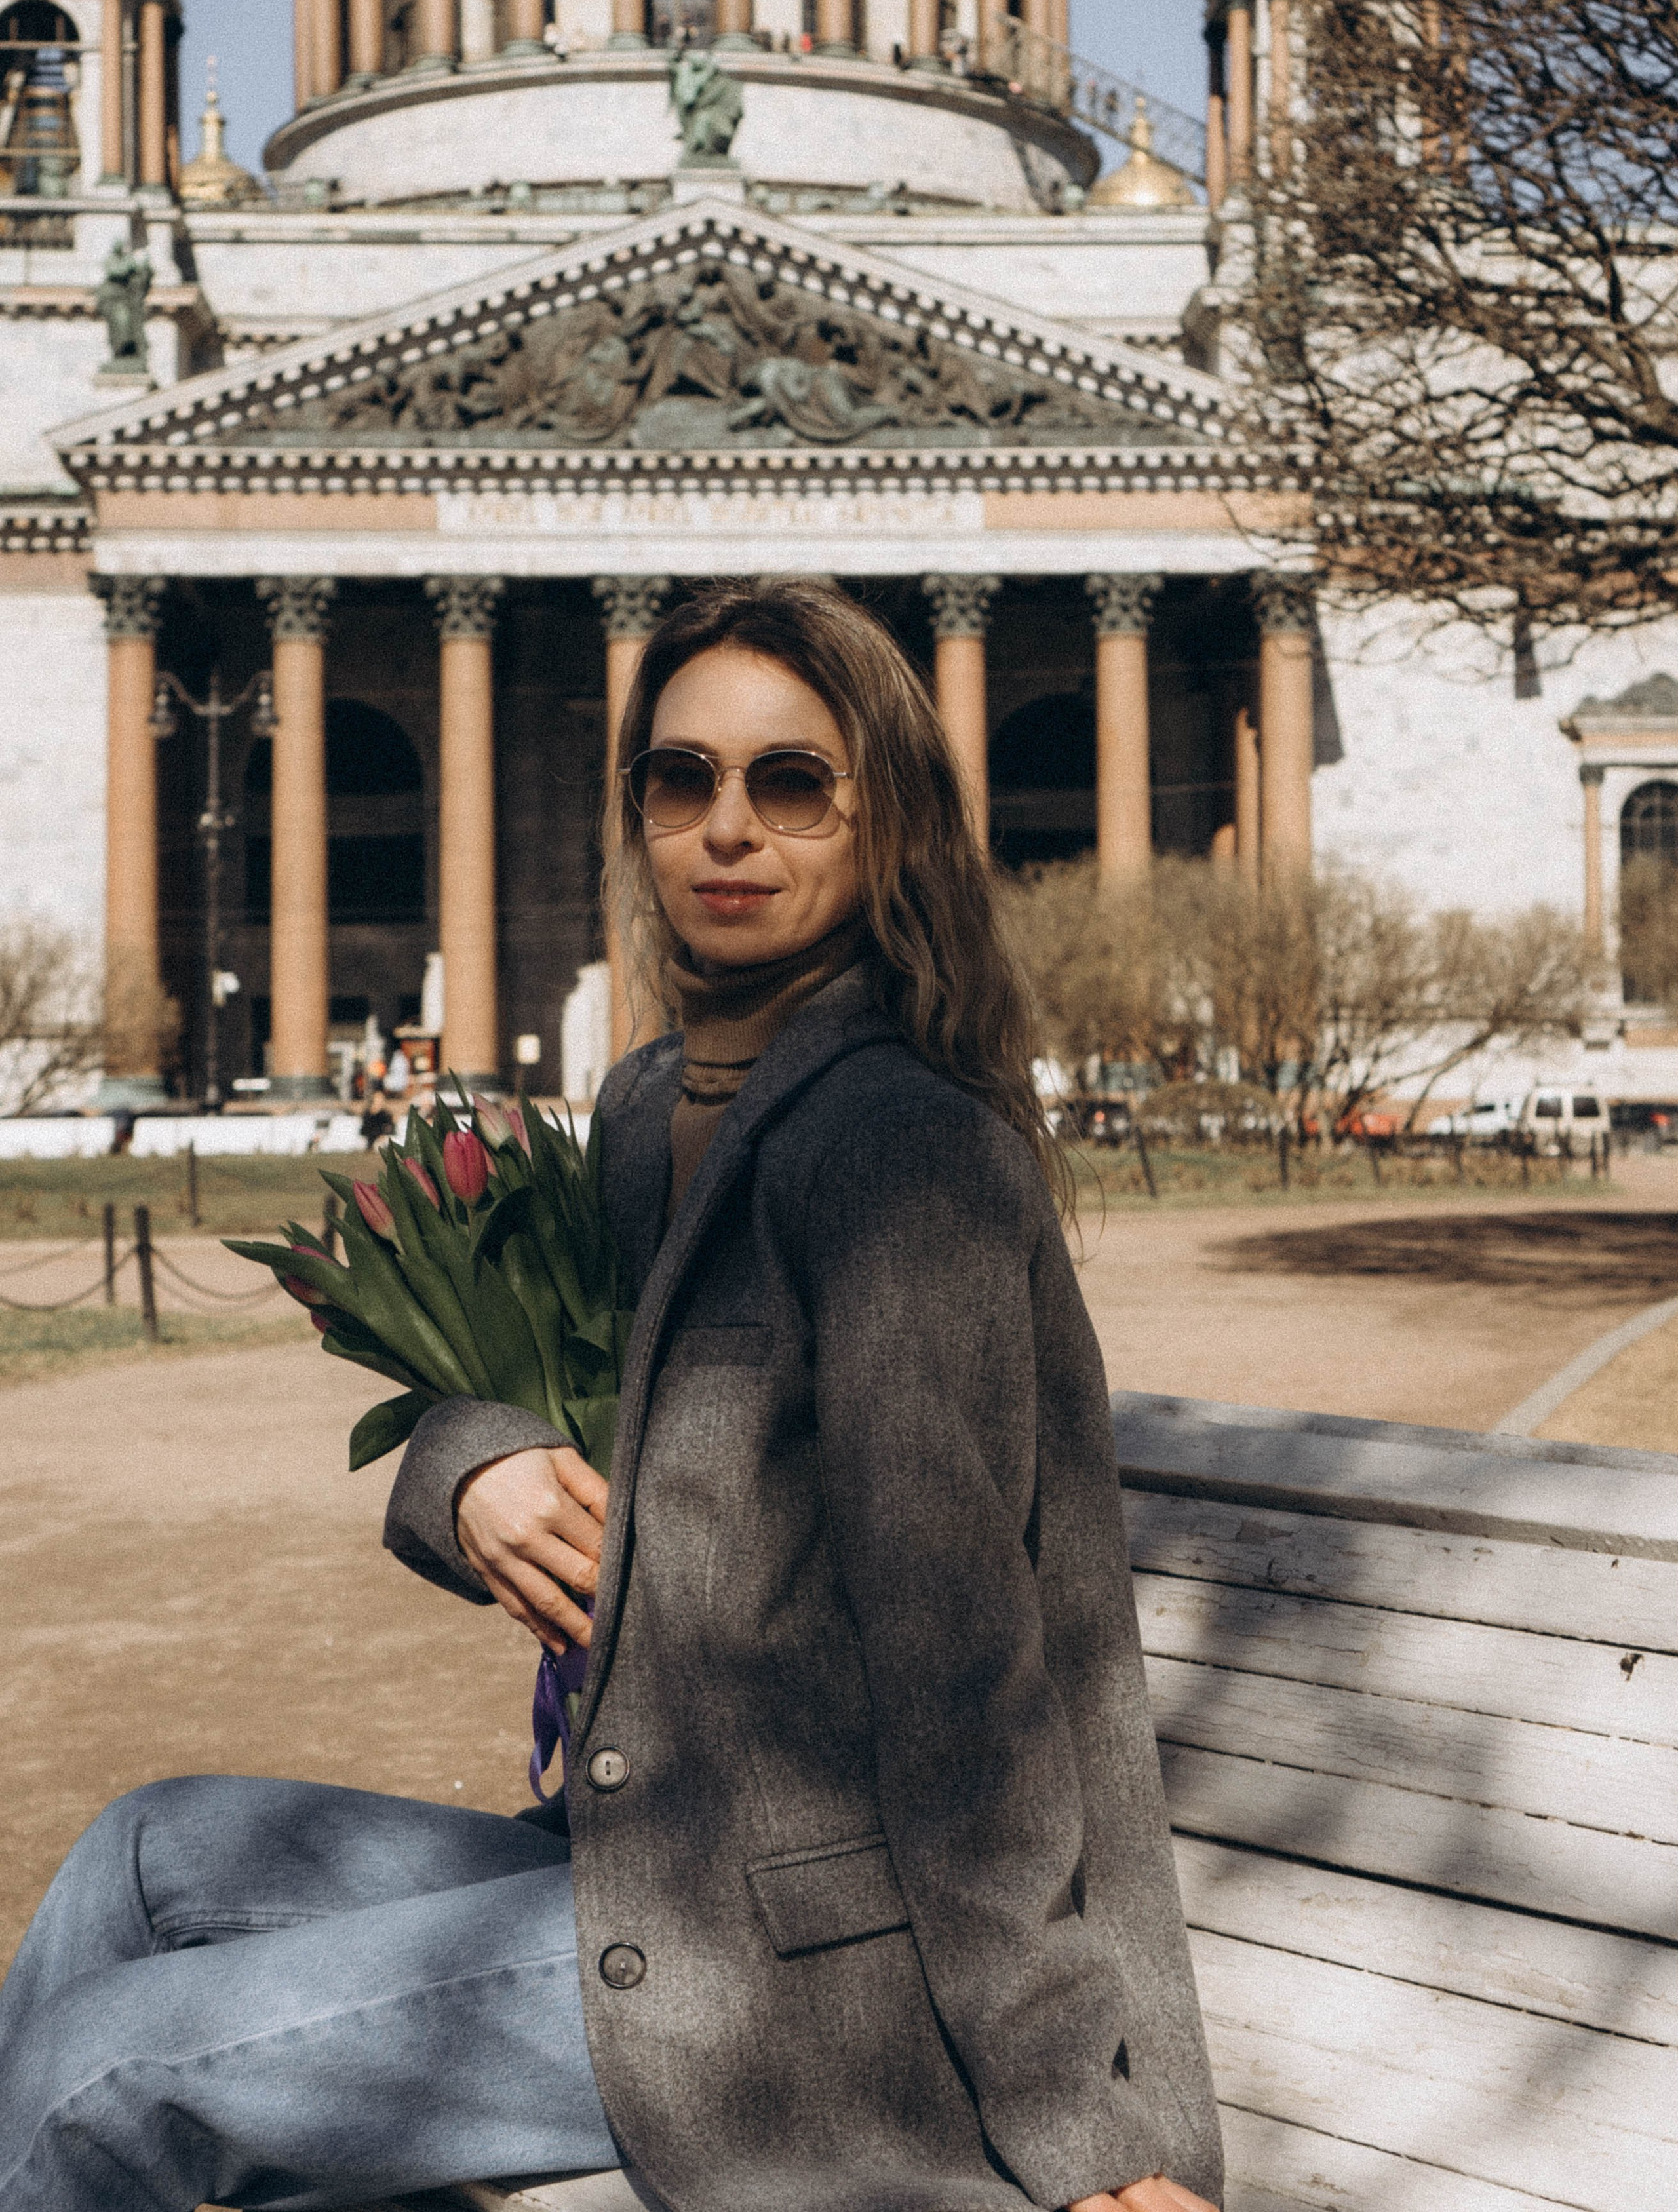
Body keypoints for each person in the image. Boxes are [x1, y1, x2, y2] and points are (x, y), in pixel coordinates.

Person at [0, 580, 1222, 2212]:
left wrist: (1082, 2125)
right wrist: (472, 1462)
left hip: (818, 1990)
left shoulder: (899, 1149)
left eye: (790, 784)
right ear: (635, 809)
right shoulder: (651, 1108)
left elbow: (969, 1674)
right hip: (651, 1866)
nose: (727, 829)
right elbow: (558, 1398)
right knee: (141, 1856)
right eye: (679, 779)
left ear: (891, 827)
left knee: (109, 2075)